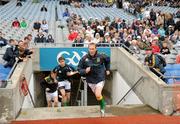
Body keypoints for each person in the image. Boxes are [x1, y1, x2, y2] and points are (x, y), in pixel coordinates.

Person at [77, 43, 110, 117]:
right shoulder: (84, 58)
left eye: (93, 49)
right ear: (88, 49)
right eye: (90, 49)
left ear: (96, 49)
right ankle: (103, 102)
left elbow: (108, 60)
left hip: (100, 78)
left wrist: (107, 69)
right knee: (98, 96)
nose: (91, 50)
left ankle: (102, 108)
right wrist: (85, 71)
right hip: (91, 81)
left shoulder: (101, 56)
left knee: (98, 94)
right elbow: (79, 69)